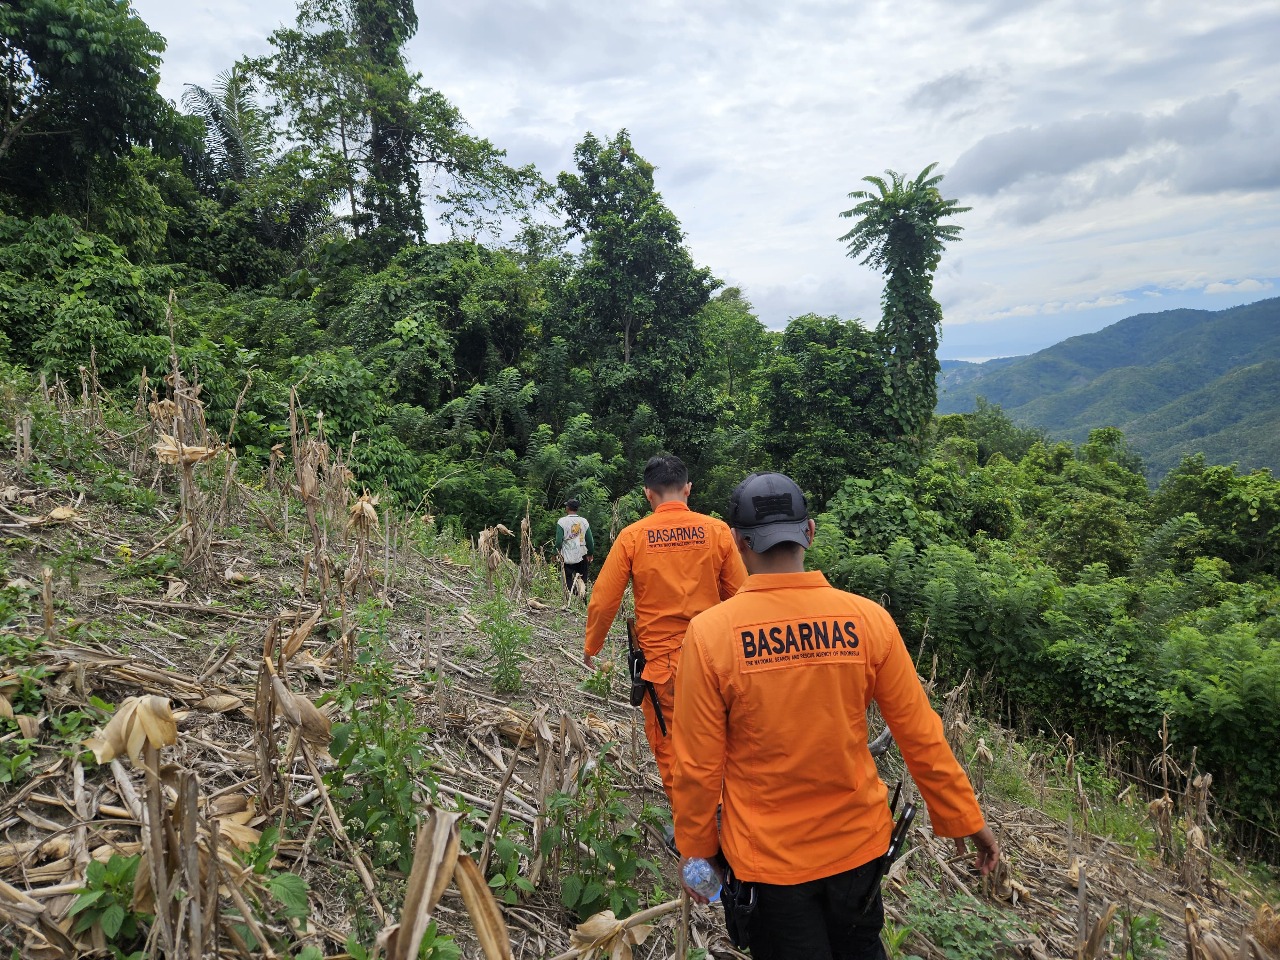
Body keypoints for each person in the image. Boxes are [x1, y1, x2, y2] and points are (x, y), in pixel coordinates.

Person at [672, 472, 1000, 959]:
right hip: (858, 853)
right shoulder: (868, 620)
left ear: (738, 543)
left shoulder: (710, 634)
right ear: (810, 532)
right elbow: (919, 734)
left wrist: (698, 852)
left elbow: (697, 766)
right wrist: (965, 818)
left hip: (770, 863)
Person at [584, 454, 747, 803]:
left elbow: (604, 599)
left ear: (647, 494)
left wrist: (592, 647)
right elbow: (743, 597)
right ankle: (726, 814)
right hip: (718, 659)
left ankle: (692, 829)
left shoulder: (633, 537)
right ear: (688, 489)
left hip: (665, 668)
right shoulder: (717, 531)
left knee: (672, 747)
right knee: (723, 737)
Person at [556, 498, 594, 591]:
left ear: (567, 508)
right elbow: (589, 540)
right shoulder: (583, 521)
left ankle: (571, 597)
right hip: (582, 553)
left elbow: (558, 541)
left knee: (567, 578)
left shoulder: (562, 521)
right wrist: (590, 553)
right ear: (577, 509)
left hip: (567, 554)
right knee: (582, 578)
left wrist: (555, 553)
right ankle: (582, 598)